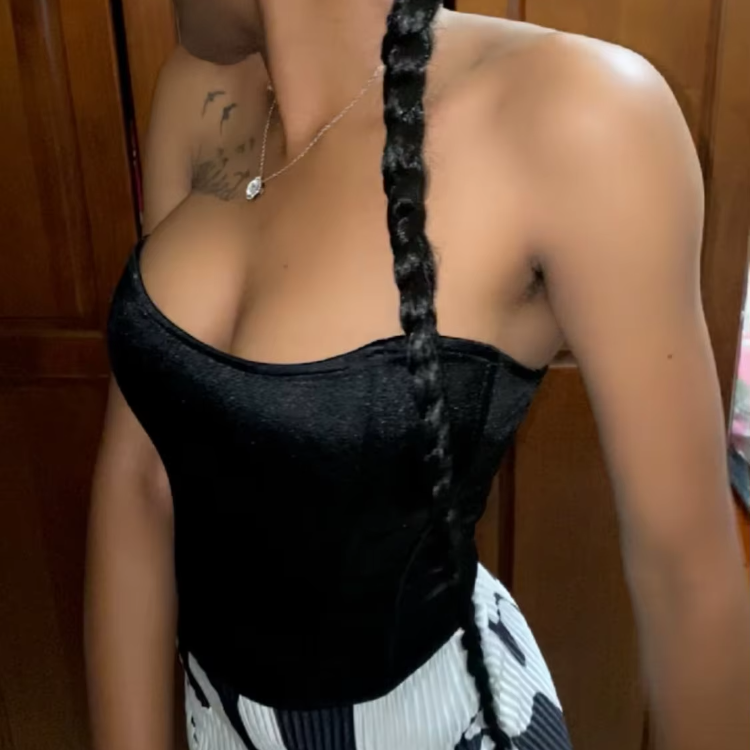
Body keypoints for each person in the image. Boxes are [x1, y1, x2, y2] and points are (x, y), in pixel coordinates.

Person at [85, 1, 750, 749]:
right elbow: (141, 477)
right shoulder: (199, 95)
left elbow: (688, 577)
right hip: (216, 721)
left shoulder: (580, 115)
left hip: (436, 722)